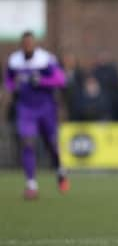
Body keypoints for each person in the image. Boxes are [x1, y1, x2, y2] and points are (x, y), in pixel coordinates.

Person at [4, 31, 70, 199]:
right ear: (21, 44)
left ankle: (60, 171)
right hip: (26, 108)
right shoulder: (14, 60)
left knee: (52, 145)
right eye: (24, 43)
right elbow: (8, 81)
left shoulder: (45, 59)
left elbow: (61, 80)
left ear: (34, 44)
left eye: (30, 43)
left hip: (46, 107)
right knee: (27, 143)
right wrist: (13, 87)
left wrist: (41, 81)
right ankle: (31, 184)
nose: (27, 46)